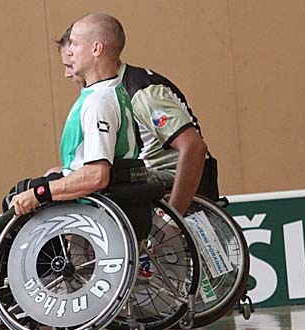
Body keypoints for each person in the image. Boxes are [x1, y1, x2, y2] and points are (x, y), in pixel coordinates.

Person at [55, 27, 215, 216]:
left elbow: (194, 148)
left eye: (70, 65)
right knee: (61, 175)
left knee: (90, 180)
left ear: (95, 50)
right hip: (144, 175)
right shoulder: (107, 91)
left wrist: (173, 219)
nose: (67, 74)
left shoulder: (141, 94)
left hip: (174, 182)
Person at [8, 13, 138, 216]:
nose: (69, 51)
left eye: (75, 44)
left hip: (91, 207)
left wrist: (39, 194)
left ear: (96, 49)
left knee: (17, 196)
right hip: (104, 196)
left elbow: (96, 176)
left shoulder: (99, 102)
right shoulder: (112, 91)